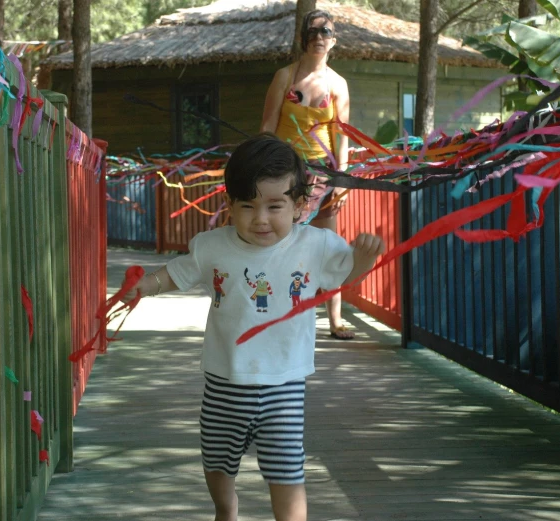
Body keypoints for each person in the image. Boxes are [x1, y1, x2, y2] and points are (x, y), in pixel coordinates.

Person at [119, 134, 385, 521]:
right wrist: (144, 286)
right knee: (216, 462)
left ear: (298, 206)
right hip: (225, 380)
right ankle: (226, 511)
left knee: (287, 471)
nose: (260, 219)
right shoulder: (212, 246)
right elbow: (176, 274)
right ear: (230, 205)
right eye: (248, 206)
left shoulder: (317, 244)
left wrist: (362, 259)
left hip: (284, 385)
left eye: (274, 206)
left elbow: (344, 279)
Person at [260, 9, 356, 340]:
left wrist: (342, 182)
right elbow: (267, 126)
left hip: (325, 177)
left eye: (325, 32)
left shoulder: (338, 84)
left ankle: (335, 319)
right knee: (281, 244)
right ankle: (277, 311)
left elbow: (341, 136)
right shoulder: (285, 77)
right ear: (303, 39)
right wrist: (264, 169)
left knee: (330, 247)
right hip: (286, 177)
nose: (319, 37)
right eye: (313, 32)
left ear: (334, 41)